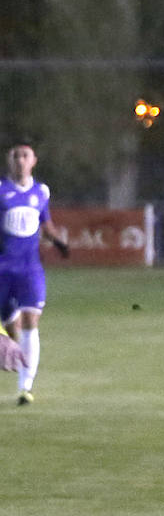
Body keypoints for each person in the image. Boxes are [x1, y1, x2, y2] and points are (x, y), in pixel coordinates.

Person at [0, 141, 69, 404]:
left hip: (30, 268)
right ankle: (16, 356)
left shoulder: (41, 192)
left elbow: (45, 223)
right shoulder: (1, 190)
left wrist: (59, 242)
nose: (20, 160)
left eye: (25, 155)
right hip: (3, 269)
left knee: (31, 321)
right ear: (10, 161)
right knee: (11, 329)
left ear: (34, 161)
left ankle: (25, 387)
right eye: (16, 156)